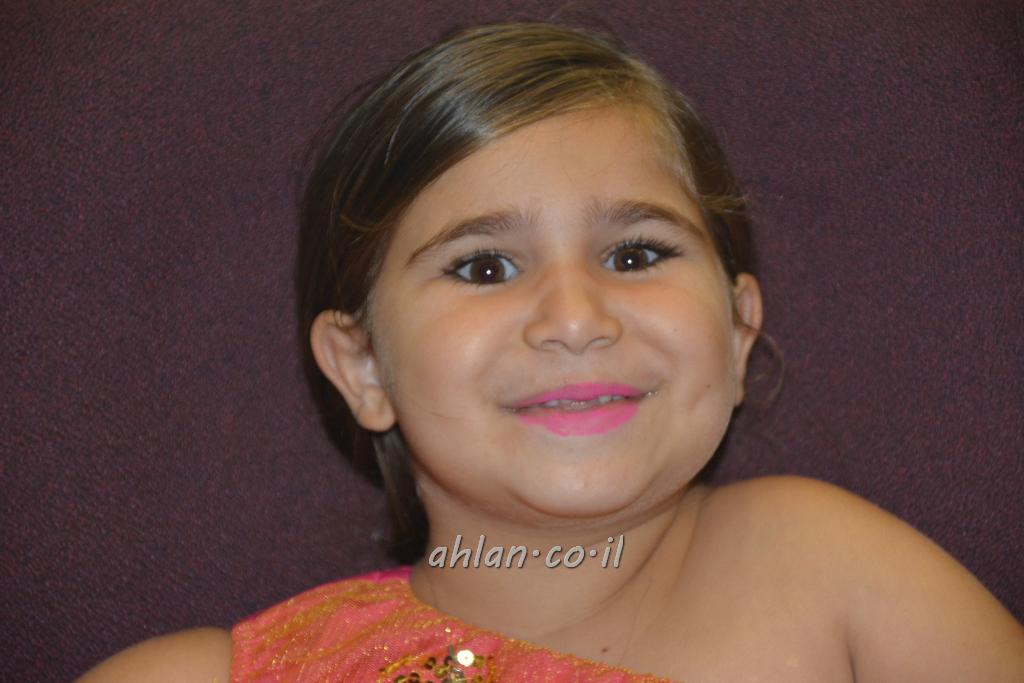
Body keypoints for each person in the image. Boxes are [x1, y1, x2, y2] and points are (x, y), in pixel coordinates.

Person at [79, 21, 1024, 682]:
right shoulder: (209, 673)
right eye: (484, 267)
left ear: (738, 333)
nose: (575, 317)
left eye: (635, 254)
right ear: (363, 367)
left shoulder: (828, 569)